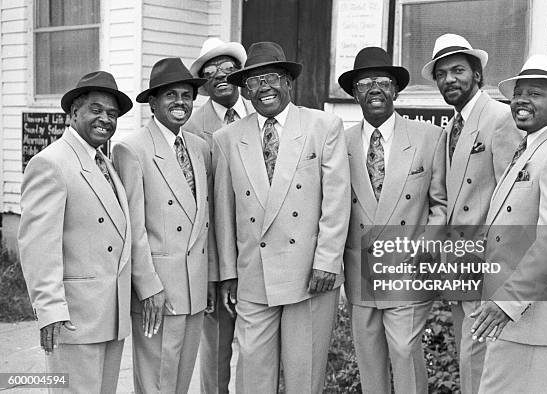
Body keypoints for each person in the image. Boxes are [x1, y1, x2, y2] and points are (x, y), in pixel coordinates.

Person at [213, 41, 350, 393]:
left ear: (288, 81)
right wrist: (228, 271)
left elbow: (336, 201)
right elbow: (224, 211)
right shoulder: (227, 137)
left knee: (303, 375)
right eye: (255, 81)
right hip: (253, 273)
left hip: (309, 274)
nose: (264, 87)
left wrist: (328, 261)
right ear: (246, 89)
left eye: (272, 77)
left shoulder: (323, 126)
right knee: (252, 374)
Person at [472, 55, 547, 393]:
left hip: (525, 316)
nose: (521, 100)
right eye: (518, 92)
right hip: (515, 318)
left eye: (535, 93)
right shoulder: (533, 146)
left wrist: (507, 302)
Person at [339, 47, 446, 393]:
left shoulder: (429, 137)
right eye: (365, 83)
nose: (375, 89)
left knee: (403, 351)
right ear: (354, 93)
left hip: (407, 266)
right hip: (360, 268)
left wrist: (424, 250)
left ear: (396, 90)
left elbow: (440, 204)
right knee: (369, 360)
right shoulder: (339, 143)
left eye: (383, 82)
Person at [421, 33, 524, 393]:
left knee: (484, 357)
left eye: (458, 70)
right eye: (442, 74)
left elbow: (514, 197)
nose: (449, 79)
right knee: (471, 355)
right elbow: (445, 199)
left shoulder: (500, 117)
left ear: (477, 75)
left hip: (487, 261)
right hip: (457, 261)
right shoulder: (449, 128)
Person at [18, 71, 133, 393]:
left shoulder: (104, 162)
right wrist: (50, 311)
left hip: (110, 316)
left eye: (111, 114)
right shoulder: (51, 163)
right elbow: (38, 246)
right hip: (75, 317)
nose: (105, 119)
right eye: (96, 110)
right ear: (73, 114)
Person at [112, 57, 218, 393]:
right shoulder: (132, 149)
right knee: (157, 382)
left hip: (194, 287)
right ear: (153, 103)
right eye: (170, 95)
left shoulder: (199, 148)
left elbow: (205, 223)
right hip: (159, 290)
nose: (180, 102)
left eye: (186, 95)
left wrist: (210, 279)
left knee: (181, 380)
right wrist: (148, 288)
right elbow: (133, 228)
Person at [183, 36, 253, 394]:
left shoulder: (261, 114)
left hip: (259, 246)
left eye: (228, 69)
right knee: (216, 346)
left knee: (258, 347)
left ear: (241, 74)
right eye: (210, 73)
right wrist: (212, 268)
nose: (220, 76)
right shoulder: (192, 128)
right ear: (204, 83)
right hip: (215, 248)